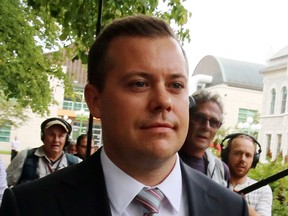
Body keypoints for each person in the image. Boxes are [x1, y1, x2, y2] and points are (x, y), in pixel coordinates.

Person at [0, 15, 248, 215]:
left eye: (175, 85)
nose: (163, 101)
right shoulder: (29, 207)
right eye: (139, 84)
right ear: (95, 101)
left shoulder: (230, 208)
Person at [5, 117, 82, 186]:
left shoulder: (76, 163)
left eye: (61, 136)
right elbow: (4, 185)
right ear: (43, 136)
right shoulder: (25, 157)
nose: (56, 140)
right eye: (51, 135)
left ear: (67, 139)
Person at [179, 90, 230, 187]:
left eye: (214, 122)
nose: (206, 127)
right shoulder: (163, 161)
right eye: (200, 118)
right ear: (187, 117)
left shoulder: (221, 170)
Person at [222, 133, 272, 216]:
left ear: (254, 160)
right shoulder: (214, 182)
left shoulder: (263, 190)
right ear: (227, 155)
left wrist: (242, 205)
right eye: (237, 153)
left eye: (248, 155)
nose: (242, 159)